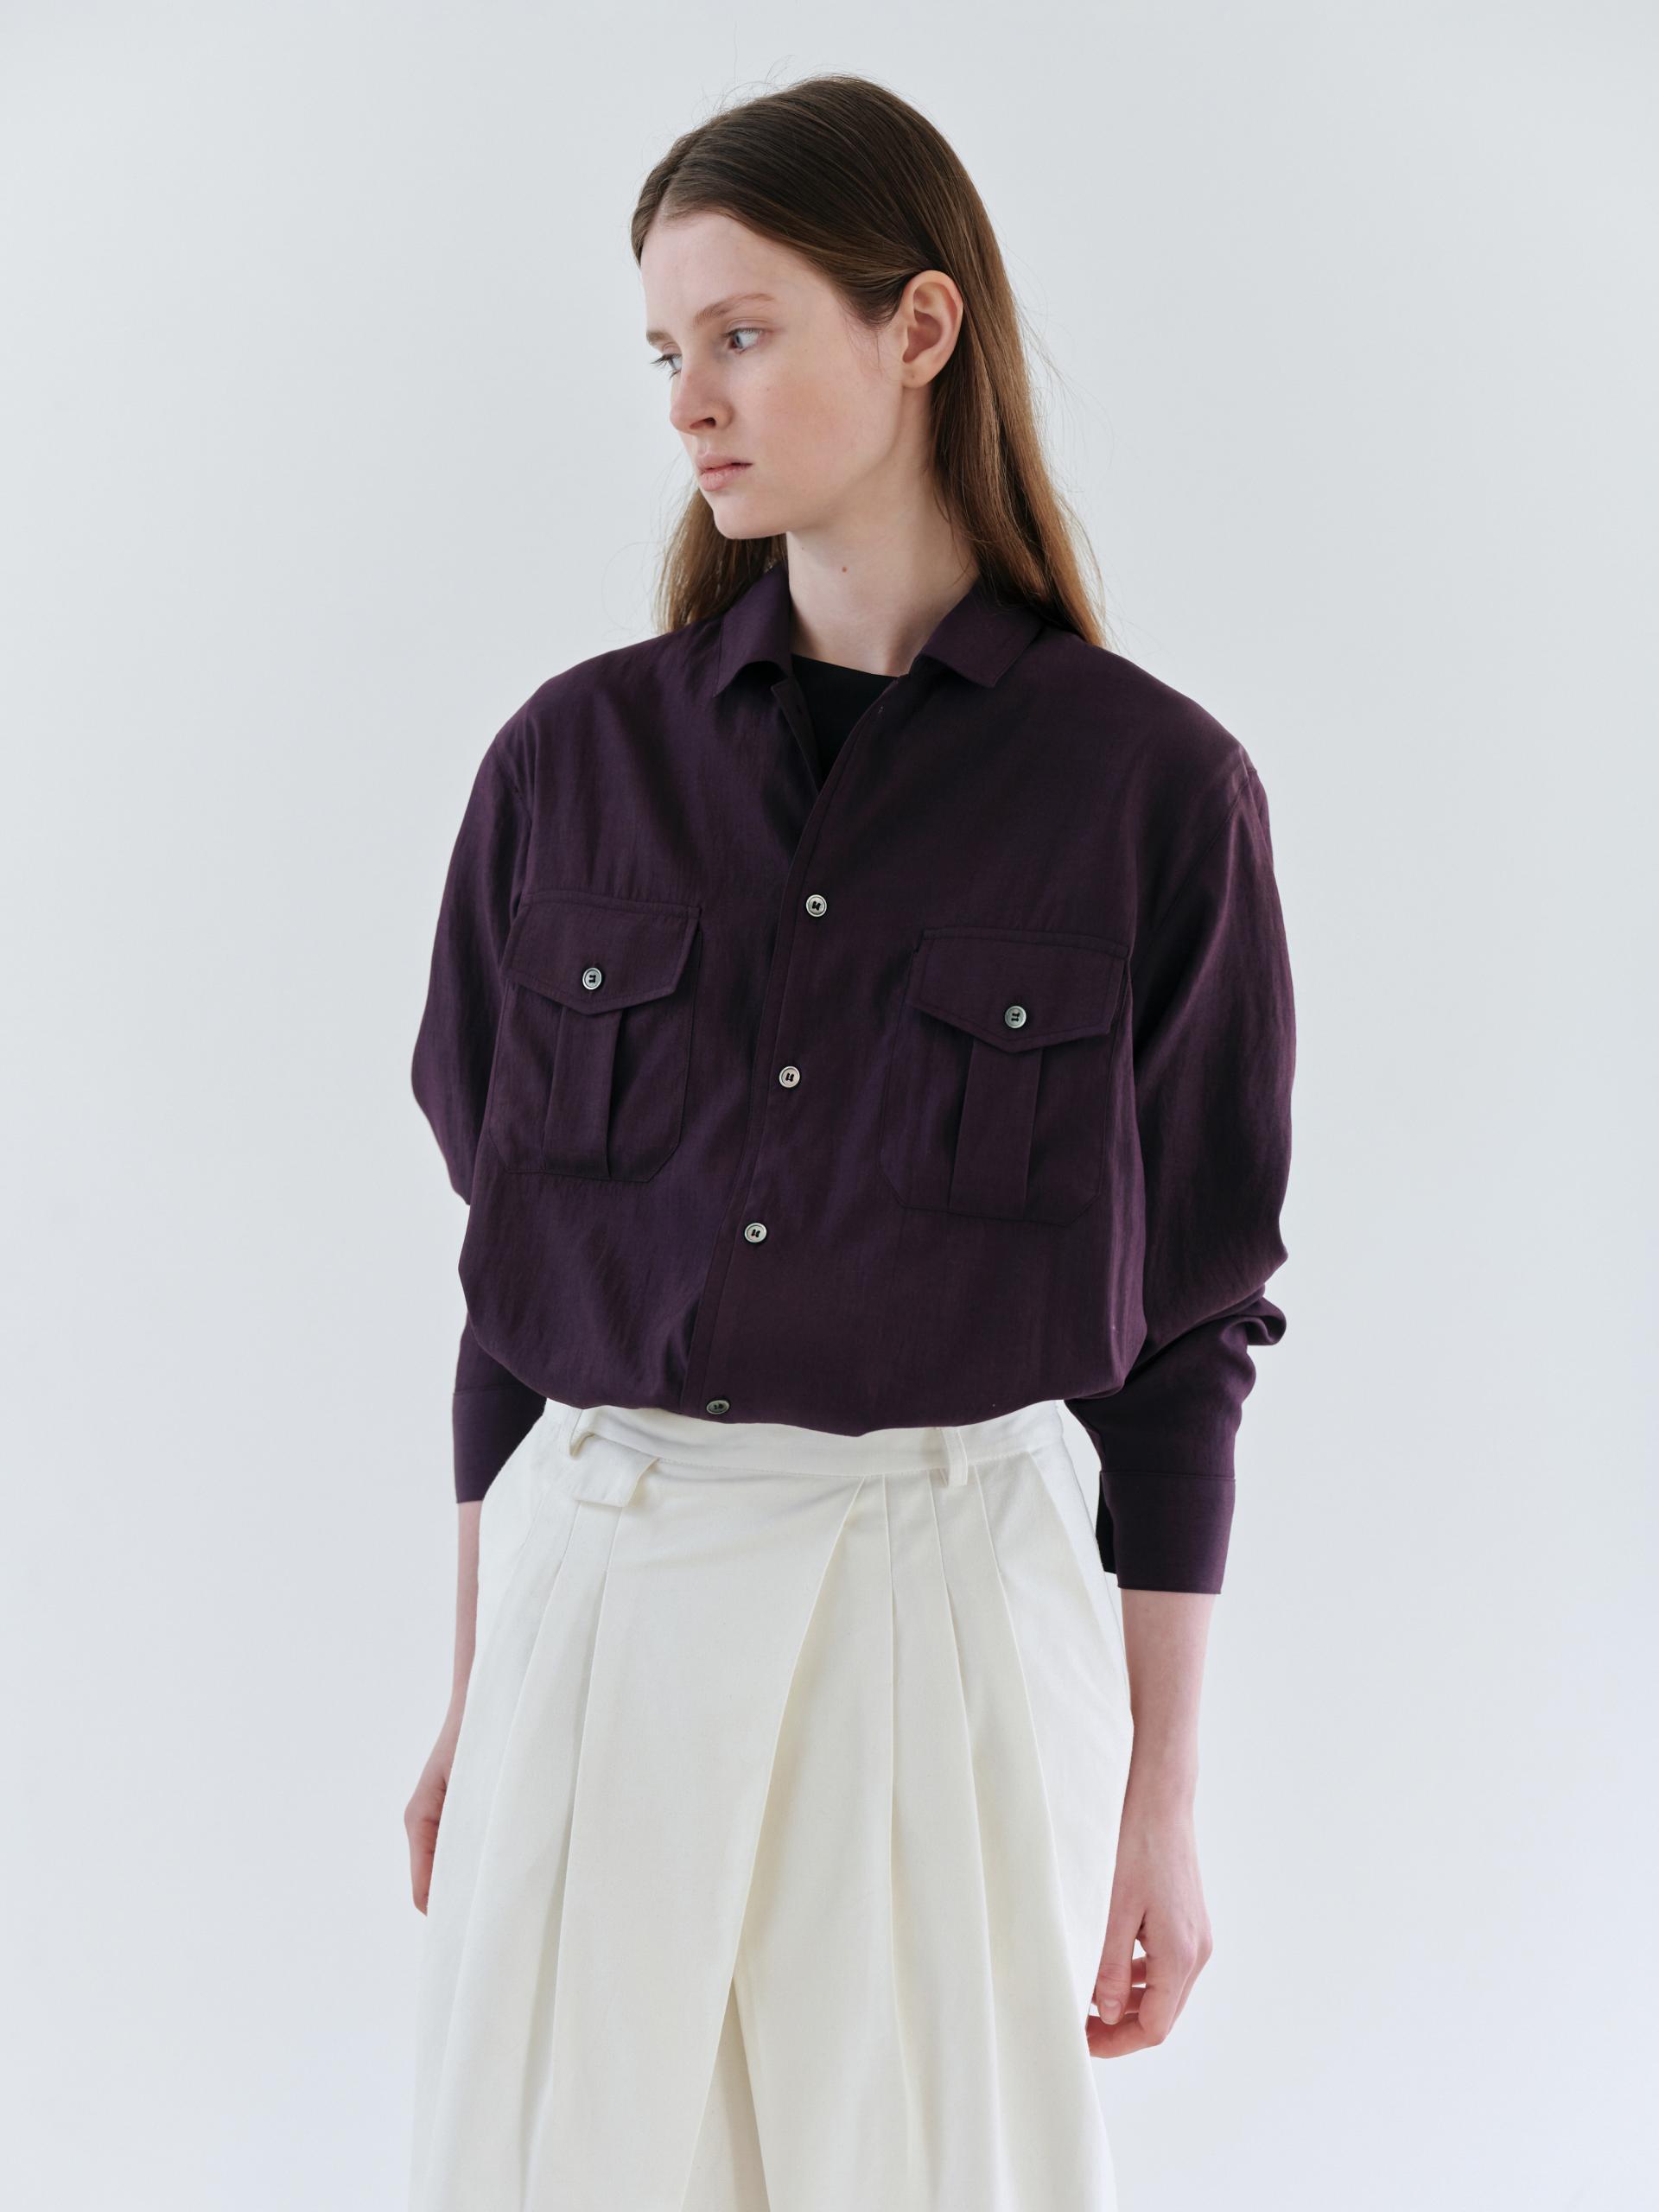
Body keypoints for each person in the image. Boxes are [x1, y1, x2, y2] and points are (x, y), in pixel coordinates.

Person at [402, 71, 1295, 2212]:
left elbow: (1189, 1336)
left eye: (743, 332)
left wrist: (1165, 1795)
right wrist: (468, 1691)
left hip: (936, 1609)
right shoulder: (572, 767)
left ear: (919, 328)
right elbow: (508, 1277)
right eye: (665, 349)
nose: (691, 403)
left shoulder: (1149, 794)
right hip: (601, 1606)